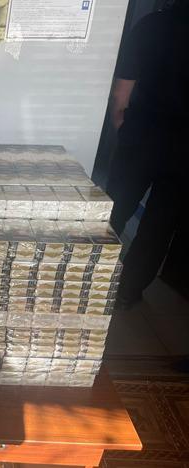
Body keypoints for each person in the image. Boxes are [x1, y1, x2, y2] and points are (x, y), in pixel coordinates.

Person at [106, 0, 188, 310]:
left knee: (114, 210)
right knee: (160, 224)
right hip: (184, 149)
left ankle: (88, 276)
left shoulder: (152, 25)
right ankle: (128, 291)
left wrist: (122, 128)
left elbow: (121, 93)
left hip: (142, 134)